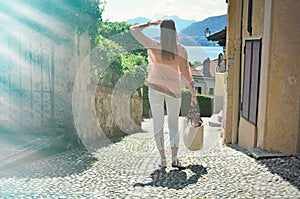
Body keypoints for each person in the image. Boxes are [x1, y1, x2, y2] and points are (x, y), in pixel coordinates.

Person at [130, 19, 196, 170]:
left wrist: (149, 24)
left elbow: (133, 29)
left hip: (155, 90)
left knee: (158, 125)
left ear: (161, 32)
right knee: (173, 125)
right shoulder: (181, 50)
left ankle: (162, 160)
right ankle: (174, 159)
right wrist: (193, 95)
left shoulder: (153, 45)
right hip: (174, 92)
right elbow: (187, 76)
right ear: (174, 32)